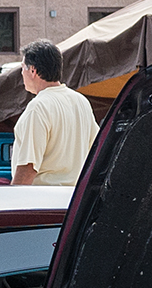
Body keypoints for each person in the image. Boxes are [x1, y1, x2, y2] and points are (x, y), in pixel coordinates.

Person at [11, 39, 98, 186]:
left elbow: (28, 167)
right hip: (74, 196)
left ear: (33, 70)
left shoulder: (38, 108)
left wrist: (12, 199)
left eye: (22, 68)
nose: (21, 73)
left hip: (44, 197)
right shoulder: (81, 102)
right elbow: (96, 151)